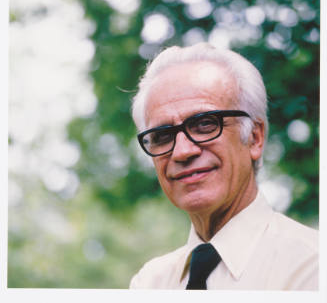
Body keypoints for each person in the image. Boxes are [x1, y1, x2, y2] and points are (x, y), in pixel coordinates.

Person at [129, 43, 318, 290]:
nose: (182, 151)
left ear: (255, 137)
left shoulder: (312, 268)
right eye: (163, 135)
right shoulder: (150, 283)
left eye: (205, 124)